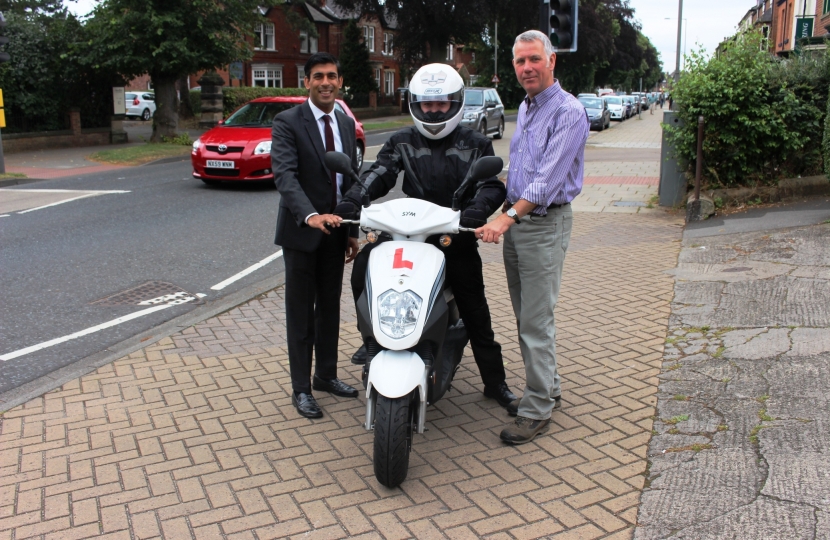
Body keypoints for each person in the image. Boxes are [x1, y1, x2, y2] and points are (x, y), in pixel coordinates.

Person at [336, 63, 518, 411]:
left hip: (454, 235)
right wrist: (354, 198)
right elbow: (380, 172)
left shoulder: (475, 143)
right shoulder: (401, 140)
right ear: (414, 104)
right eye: (426, 104)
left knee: (475, 310)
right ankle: (373, 339)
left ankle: (495, 382)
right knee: (363, 268)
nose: (434, 111)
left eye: (443, 104)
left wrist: (477, 210)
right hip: (408, 231)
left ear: (456, 103)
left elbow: (491, 184)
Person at [476, 30, 589, 445]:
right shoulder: (525, 107)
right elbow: (520, 172)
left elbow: (543, 184)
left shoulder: (568, 112)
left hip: (542, 224)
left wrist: (503, 219)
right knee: (529, 317)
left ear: (551, 60)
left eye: (534, 60)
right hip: (521, 224)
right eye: (520, 61)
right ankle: (549, 387)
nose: (526, 68)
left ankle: (538, 408)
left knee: (535, 322)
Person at [271, 52, 361, 419]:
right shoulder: (288, 122)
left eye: (333, 76)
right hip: (302, 234)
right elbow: (285, 176)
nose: (326, 82)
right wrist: (309, 215)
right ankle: (301, 388)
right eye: (319, 76)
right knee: (301, 315)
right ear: (306, 81)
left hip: (336, 234)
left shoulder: (343, 121)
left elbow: (348, 180)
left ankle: (326, 375)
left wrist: (351, 230)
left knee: (329, 309)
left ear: (340, 81)